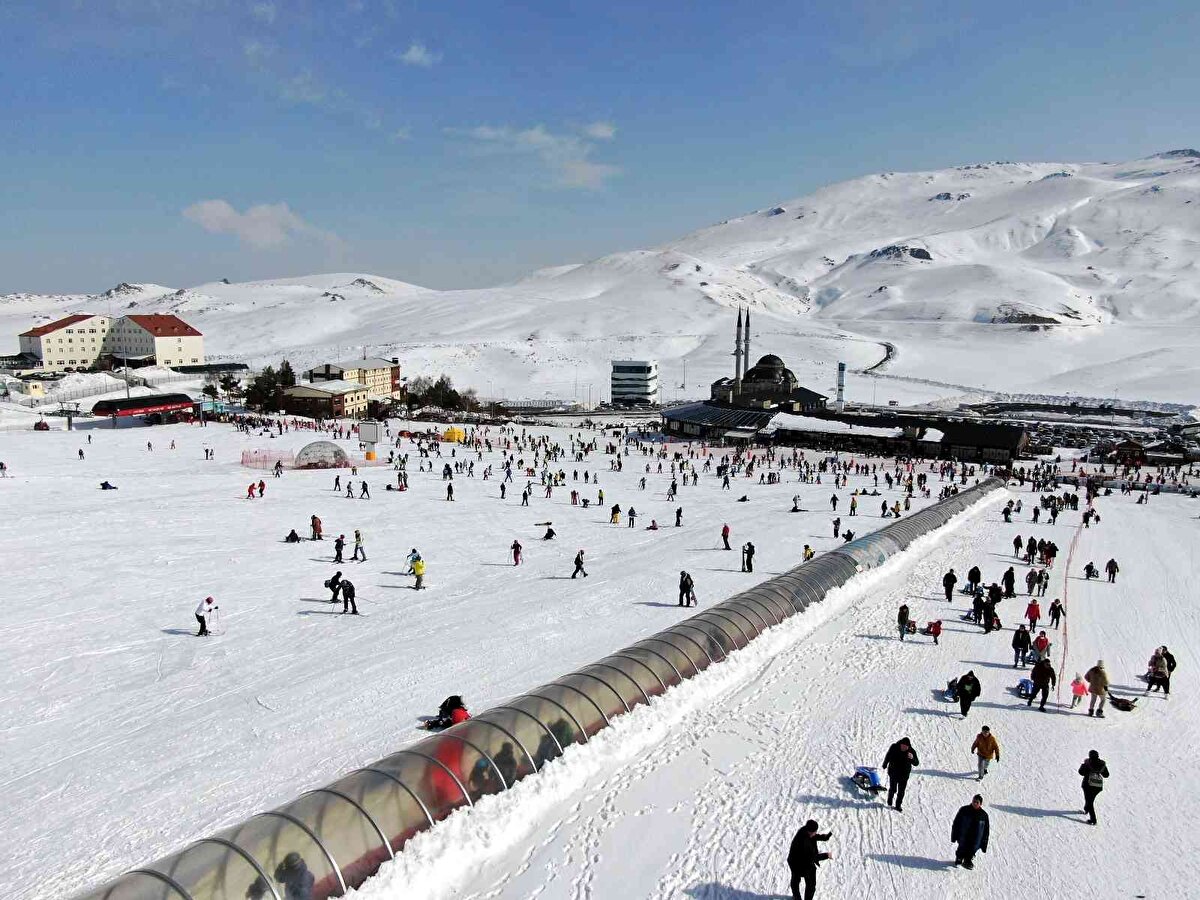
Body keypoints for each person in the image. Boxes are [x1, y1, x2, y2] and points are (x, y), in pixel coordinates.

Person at [787, 819, 832, 900]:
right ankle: (797, 897)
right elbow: (812, 857)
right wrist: (826, 855)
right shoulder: (803, 842)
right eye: (814, 832)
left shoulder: (805, 830)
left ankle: (797, 897)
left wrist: (824, 837)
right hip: (798, 863)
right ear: (809, 831)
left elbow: (813, 836)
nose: (815, 833)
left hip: (797, 860)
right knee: (808, 883)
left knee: (796, 879)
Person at [951, 795, 990, 869]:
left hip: (976, 837)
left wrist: (984, 844)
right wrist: (954, 835)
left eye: (977, 802)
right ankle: (959, 858)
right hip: (964, 834)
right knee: (962, 846)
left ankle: (967, 861)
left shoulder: (983, 815)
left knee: (973, 848)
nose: (975, 803)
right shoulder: (964, 810)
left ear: (980, 804)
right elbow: (956, 823)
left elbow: (986, 831)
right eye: (974, 801)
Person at [882, 737, 919, 812]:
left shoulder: (911, 752)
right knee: (893, 789)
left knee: (901, 792)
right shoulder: (894, 747)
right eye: (902, 745)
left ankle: (898, 805)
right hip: (893, 773)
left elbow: (916, 763)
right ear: (900, 744)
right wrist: (885, 764)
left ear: (908, 746)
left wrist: (912, 758)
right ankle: (889, 801)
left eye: (906, 746)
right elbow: (888, 755)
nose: (904, 747)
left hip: (904, 776)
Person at [1079, 750, 1109, 825]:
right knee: (1089, 800)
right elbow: (1106, 775)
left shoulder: (1087, 763)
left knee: (1089, 801)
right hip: (1097, 787)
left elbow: (1081, 772)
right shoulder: (1102, 764)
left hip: (1087, 785)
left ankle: (1093, 820)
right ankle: (1086, 809)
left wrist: (1084, 765)